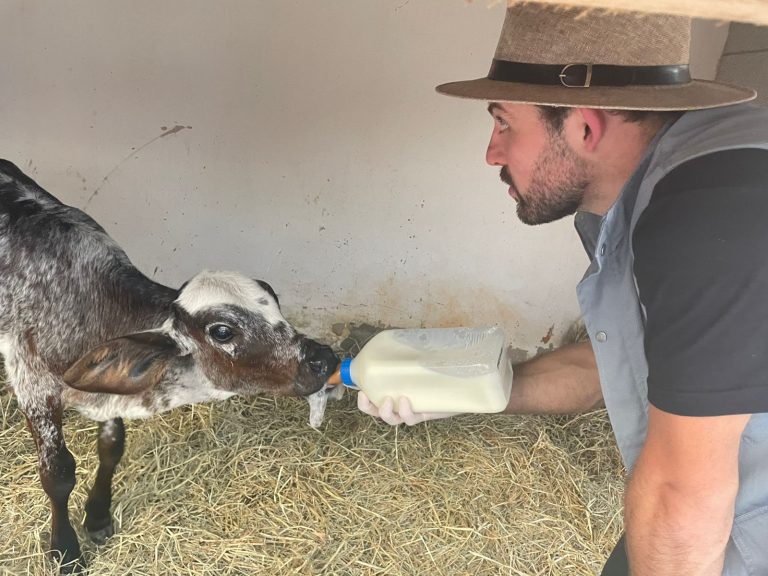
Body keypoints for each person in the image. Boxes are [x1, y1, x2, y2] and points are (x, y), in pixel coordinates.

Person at [356, 5, 768, 575]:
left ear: (583, 126)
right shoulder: (634, 193)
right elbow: (626, 366)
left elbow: (682, 497)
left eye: (504, 122)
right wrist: (467, 388)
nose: (492, 152)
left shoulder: (707, 221)